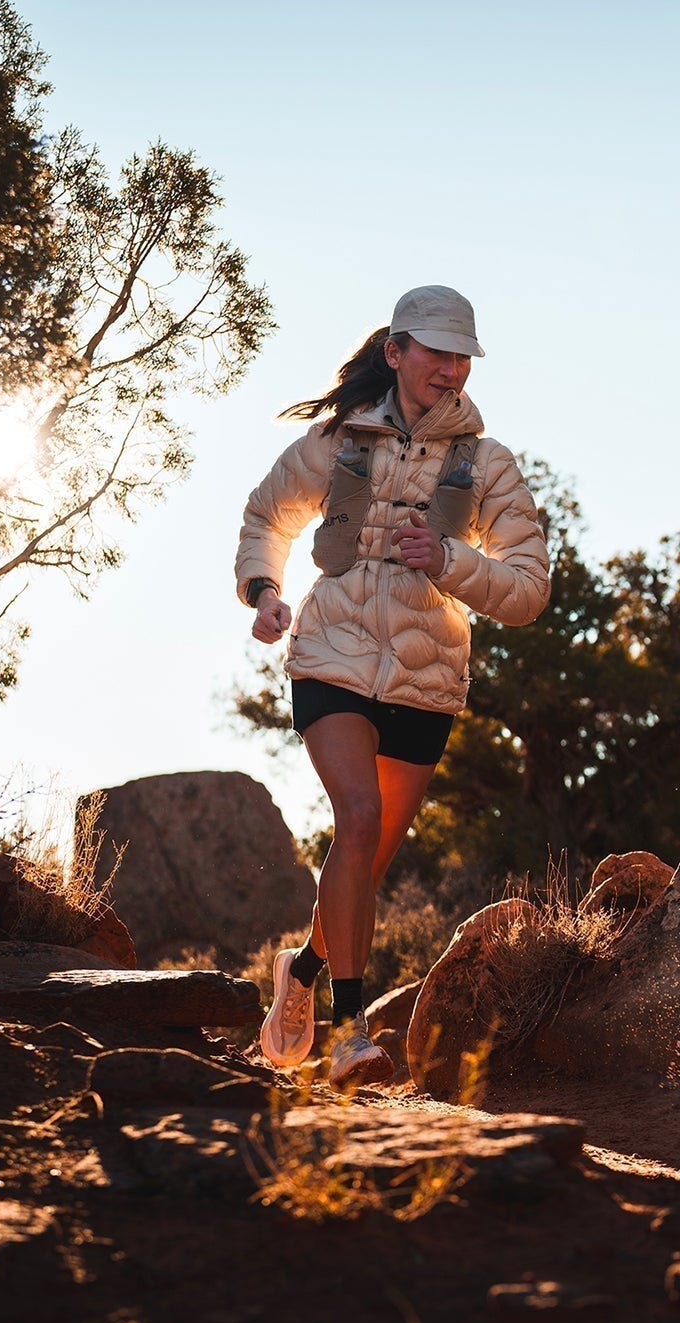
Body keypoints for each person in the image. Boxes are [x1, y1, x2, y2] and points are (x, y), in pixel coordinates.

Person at [236, 285, 549, 1085]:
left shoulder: (488, 465)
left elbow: (528, 588)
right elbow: (267, 517)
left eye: (462, 357)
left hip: (426, 679)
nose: (450, 370)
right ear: (396, 352)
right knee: (359, 814)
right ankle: (353, 1034)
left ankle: (300, 974)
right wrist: (265, 593)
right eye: (436, 353)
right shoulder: (338, 442)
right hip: (330, 657)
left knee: (362, 857)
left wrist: (450, 562)